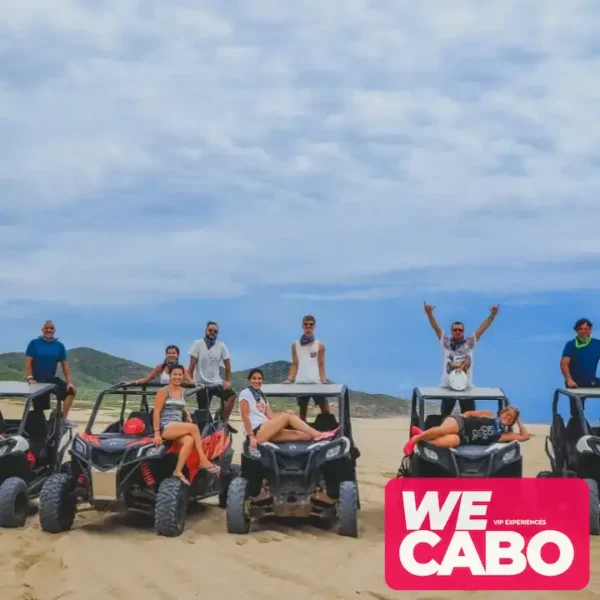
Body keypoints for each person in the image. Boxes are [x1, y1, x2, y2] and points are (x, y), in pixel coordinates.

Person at [424, 302, 499, 417]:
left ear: (463, 331)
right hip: (448, 387)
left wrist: (492, 315)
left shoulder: (469, 342)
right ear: (451, 331)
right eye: (455, 330)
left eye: (460, 330)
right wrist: (429, 314)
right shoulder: (446, 342)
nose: (458, 332)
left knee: (470, 417)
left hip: (466, 387)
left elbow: (482, 329)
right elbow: (436, 327)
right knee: (444, 416)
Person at [152, 364, 220, 484]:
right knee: (194, 428)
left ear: (183, 376)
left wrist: (186, 413)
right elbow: (156, 411)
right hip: (166, 426)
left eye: (180, 375)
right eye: (175, 374)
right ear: (170, 376)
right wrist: (157, 433)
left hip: (178, 425)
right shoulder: (163, 391)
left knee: (189, 441)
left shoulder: (182, 391)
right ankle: (203, 460)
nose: (177, 377)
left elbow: (179, 406)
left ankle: (177, 471)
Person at [240, 367, 338, 449]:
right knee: (287, 417)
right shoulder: (245, 393)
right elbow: (245, 417)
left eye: (259, 379)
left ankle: (324, 439)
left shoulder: (262, 396)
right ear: (249, 380)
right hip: (256, 431)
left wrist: (283, 416)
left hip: (267, 429)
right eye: (254, 378)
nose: (257, 381)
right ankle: (319, 434)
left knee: (303, 435)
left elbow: (271, 416)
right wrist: (251, 437)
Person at [403, 406, 529, 456]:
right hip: (462, 423)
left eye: (510, 418)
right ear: (501, 413)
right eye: (506, 414)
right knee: (444, 430)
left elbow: (525, 436)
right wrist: (462, 416)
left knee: (440, 443)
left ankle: (421, 434)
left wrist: (518, 420)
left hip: (463, 439)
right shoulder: (489, 415)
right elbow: (469, 413)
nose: (506, 418)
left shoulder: (504, 435)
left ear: (511, 422)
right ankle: (415, 439)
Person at [187, 321, 237, 432]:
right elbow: (191, 366)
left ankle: (223, 421)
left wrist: (228, 380)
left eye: (215, 331)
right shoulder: (197, 344)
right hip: (202, 384)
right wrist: (190, 381)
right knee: (203, 413)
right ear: (205, 331)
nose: (212, 333)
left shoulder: (221, 346)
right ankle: (206, 430)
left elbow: (228, 366)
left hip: (216, 382)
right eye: (210, 330)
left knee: (232, 396)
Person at [24, 320, 77, 422]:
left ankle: (63, 420)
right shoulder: (34, 343)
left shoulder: (59, 346)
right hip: (37, 381)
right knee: (40, 410)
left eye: (51, 328)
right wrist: (30, 377)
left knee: (71, 391)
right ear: (42, 329)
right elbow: (28, 361)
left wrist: (69, 382)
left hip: (51, 380)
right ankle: (40, 429)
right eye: (47, 328)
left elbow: (65, 365)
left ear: (54, 330)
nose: (49, 330)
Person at [283, 314, 329, 421]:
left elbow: (321, 364)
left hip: (316, 382)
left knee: (325, 411)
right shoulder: (295, 345)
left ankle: (329, 432)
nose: (308, 327)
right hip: (301, 382)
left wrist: (323, 380)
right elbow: (295, 363)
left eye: (311, 325)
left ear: (314, 327)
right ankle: (303, 435)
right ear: (302, 327)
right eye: (306, 325)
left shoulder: (320, 345)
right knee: (302, 414)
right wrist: (289, 378)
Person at [560, 317, 600, 415]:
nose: (583, 331)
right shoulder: (571, 345)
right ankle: (578, 427)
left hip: (591, 381)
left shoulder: (597, 344)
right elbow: (564, 363)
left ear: (590, 330)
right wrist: (569, 380)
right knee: (577, 411)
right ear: (576, 331)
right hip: (574, 383)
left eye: (586, 329)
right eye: (580, 329)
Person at [130, 345, 195, 386]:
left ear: (178, 355)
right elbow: (147, 379)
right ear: (166, 355)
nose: (171, 355)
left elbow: (190, 382)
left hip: (177, 396)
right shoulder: (161, 367)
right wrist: (133, 382)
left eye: (173, 353)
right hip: (164, 395)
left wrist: (199, 384)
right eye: (169, 353)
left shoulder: (181, 368)